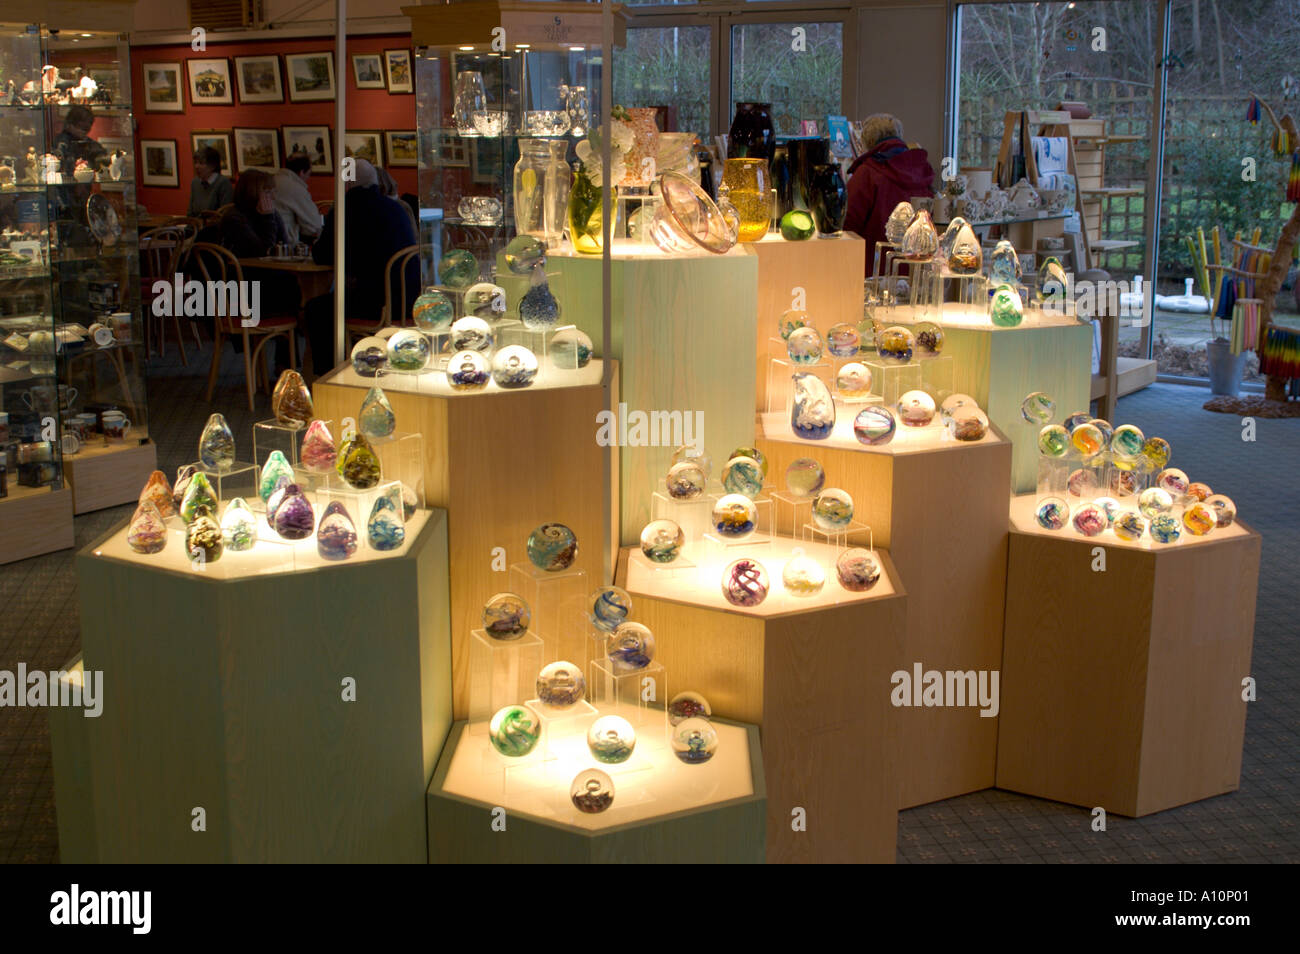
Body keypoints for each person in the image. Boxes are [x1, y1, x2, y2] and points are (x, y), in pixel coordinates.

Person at [304, 159, 418, 375]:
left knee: (316, 309)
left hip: (376, 303)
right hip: (408, 299)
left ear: (347, 185)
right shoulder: (396, 208)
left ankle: (328, 373)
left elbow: (322, 255)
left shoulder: (345, 211)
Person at [843, 114, 935, 274]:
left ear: (866, 142)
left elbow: (848, 225)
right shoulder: (922, 169)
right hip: (917, 269)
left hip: (874, 270)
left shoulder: (868, 172)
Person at [218, 168, 289, 258]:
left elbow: (284, 245)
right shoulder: (235, 218)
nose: (273, 197)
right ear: (251, 193)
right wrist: (267, 219)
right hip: (243, 269)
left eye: (274, 192)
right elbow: (263, 252)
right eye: (268, 192)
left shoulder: (271, 213)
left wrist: (269, 217)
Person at [271, 151, 323, 245]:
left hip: (269, 238)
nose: (308, 179)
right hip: (286, 244)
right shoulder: (295, 188)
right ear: (302, 172)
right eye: (308, 174)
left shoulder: (273, 179)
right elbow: (314, 226)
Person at [52, 105, 106, 178]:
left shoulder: (87, 142)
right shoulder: (61, 141)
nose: (84, 132)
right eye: (81, 128)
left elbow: (101, 155)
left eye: (87, 129)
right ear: (70, 125)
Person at [187, 145, 234, 216]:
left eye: (201, 163)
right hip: (196, 225)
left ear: (213, 166)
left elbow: (225, 216)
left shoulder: (223, 183)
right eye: (195, 162)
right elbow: (190, 213)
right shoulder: (195, 182)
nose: (196, 166)